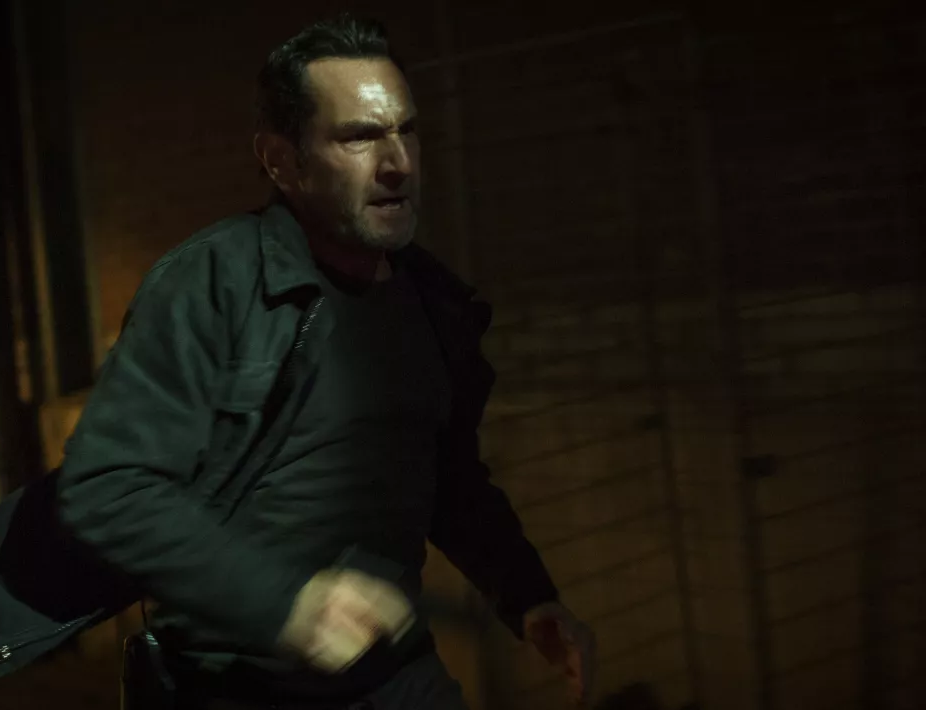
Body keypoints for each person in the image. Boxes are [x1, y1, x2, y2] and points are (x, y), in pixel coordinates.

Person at [50, 13, 595, 710]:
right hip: (228, 687)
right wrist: (289, 606)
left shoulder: (434, 302)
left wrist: (528, 596)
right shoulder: (211, 284)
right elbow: (106, 487)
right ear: (283, 162)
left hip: (393, 677)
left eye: (406, 130)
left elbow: (448, 478)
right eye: (359, 137)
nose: (397, 163)